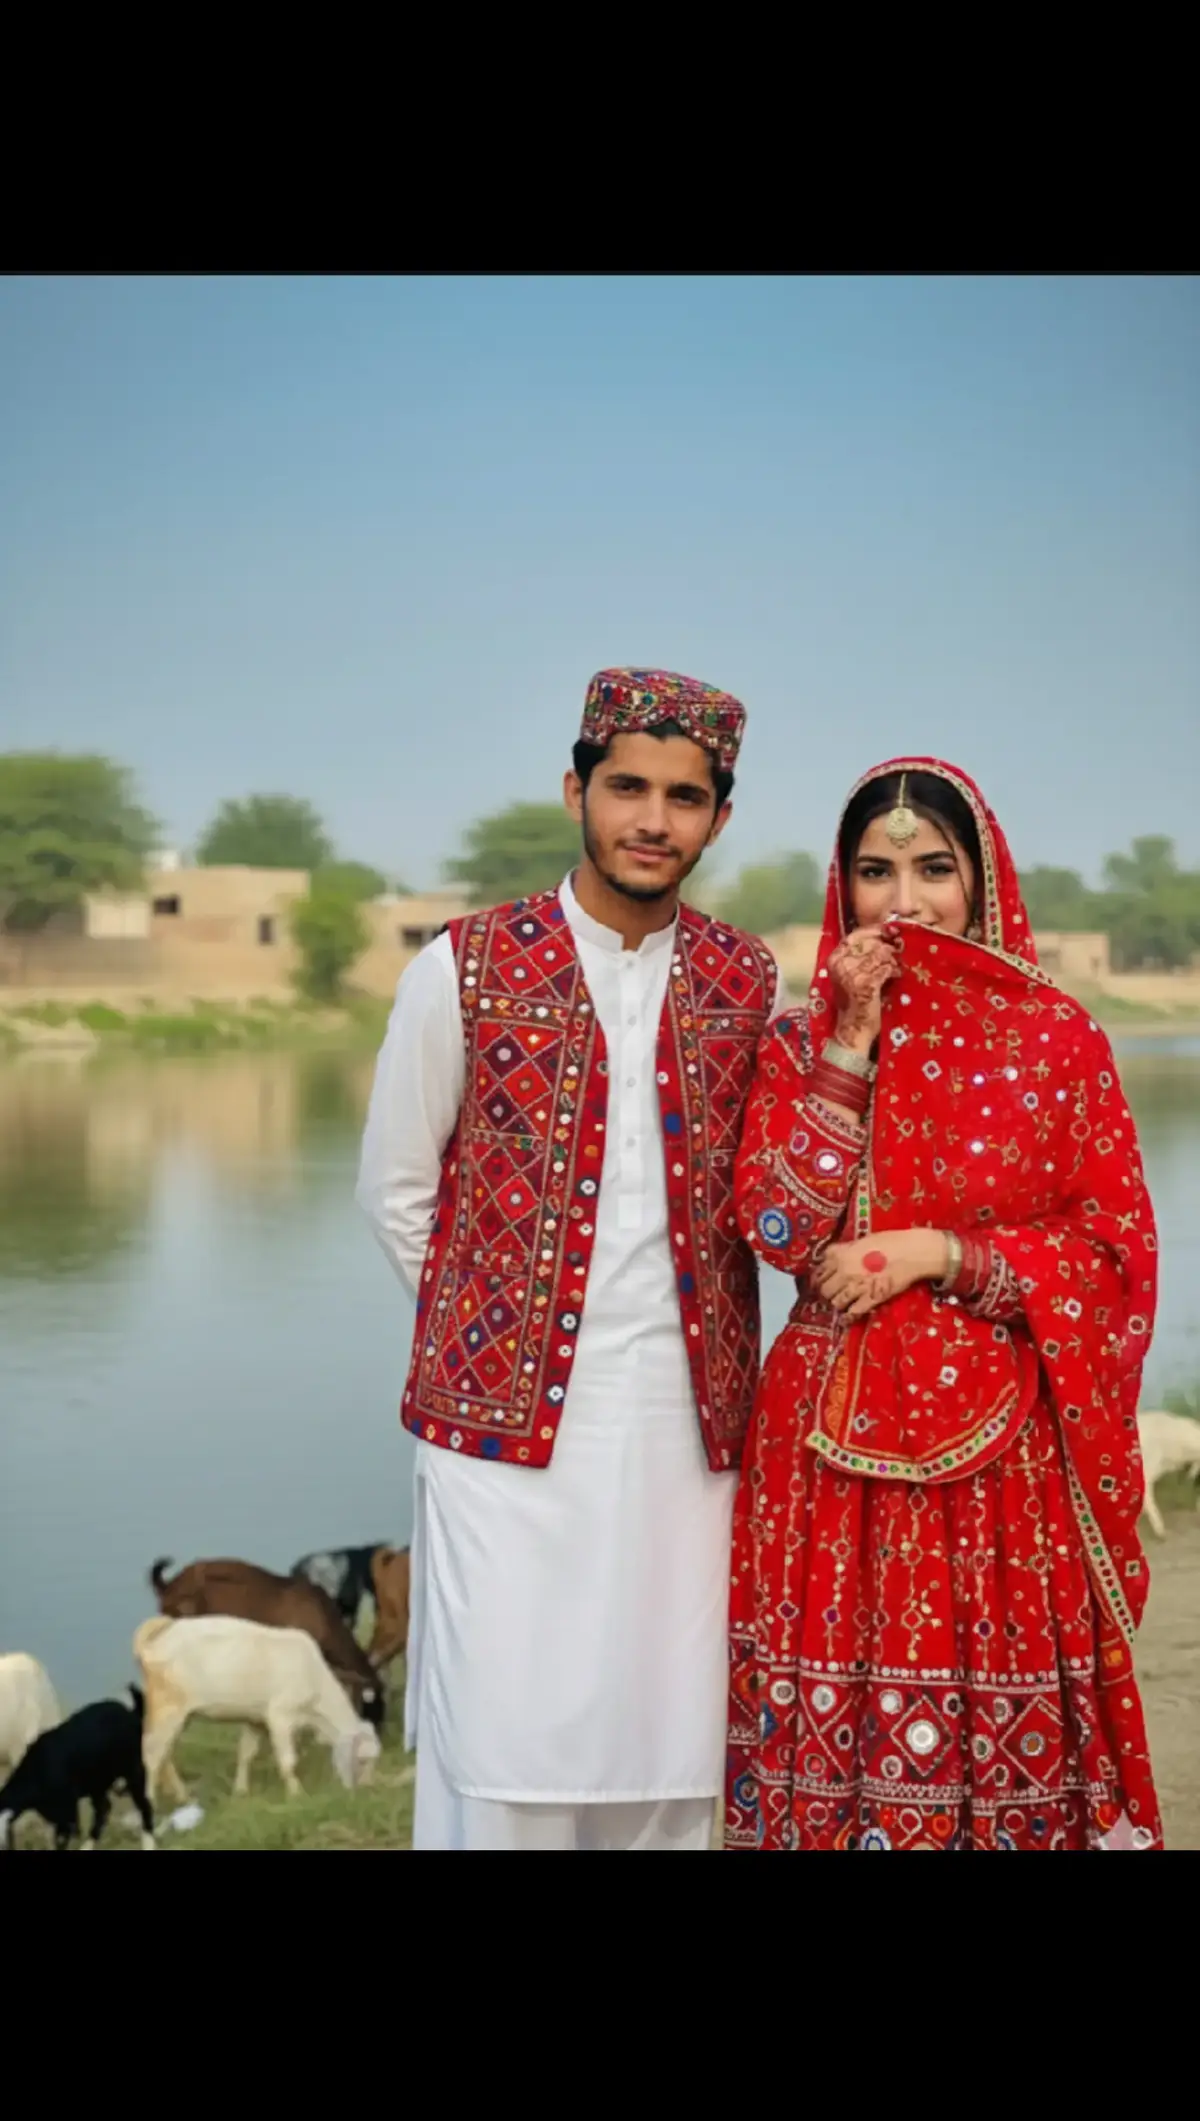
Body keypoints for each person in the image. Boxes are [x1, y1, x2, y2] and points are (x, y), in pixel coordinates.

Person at [357, 668, 784, 1850]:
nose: (653, 820)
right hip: (503, 1444)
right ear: (576, 792)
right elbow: (397, 1191)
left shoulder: (747, 979)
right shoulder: (463, 965)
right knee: (504, 1749)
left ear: (719, 819)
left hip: (691, 1435)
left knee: (672, 1751)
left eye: (685, 798)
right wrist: (498, 1328)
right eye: (627, 788)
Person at [725, 756, 1162, 1851]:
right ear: (844, 885)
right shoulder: (796, 1041)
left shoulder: (1056, 1037)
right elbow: (777, 1229)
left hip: (1002, 1456)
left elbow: (1109, 1253)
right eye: (877, 872)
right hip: (823, 1448)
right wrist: (849, 1044)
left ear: (983, 882)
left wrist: (938, 1254)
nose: (906, 901)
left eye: (934, 869)